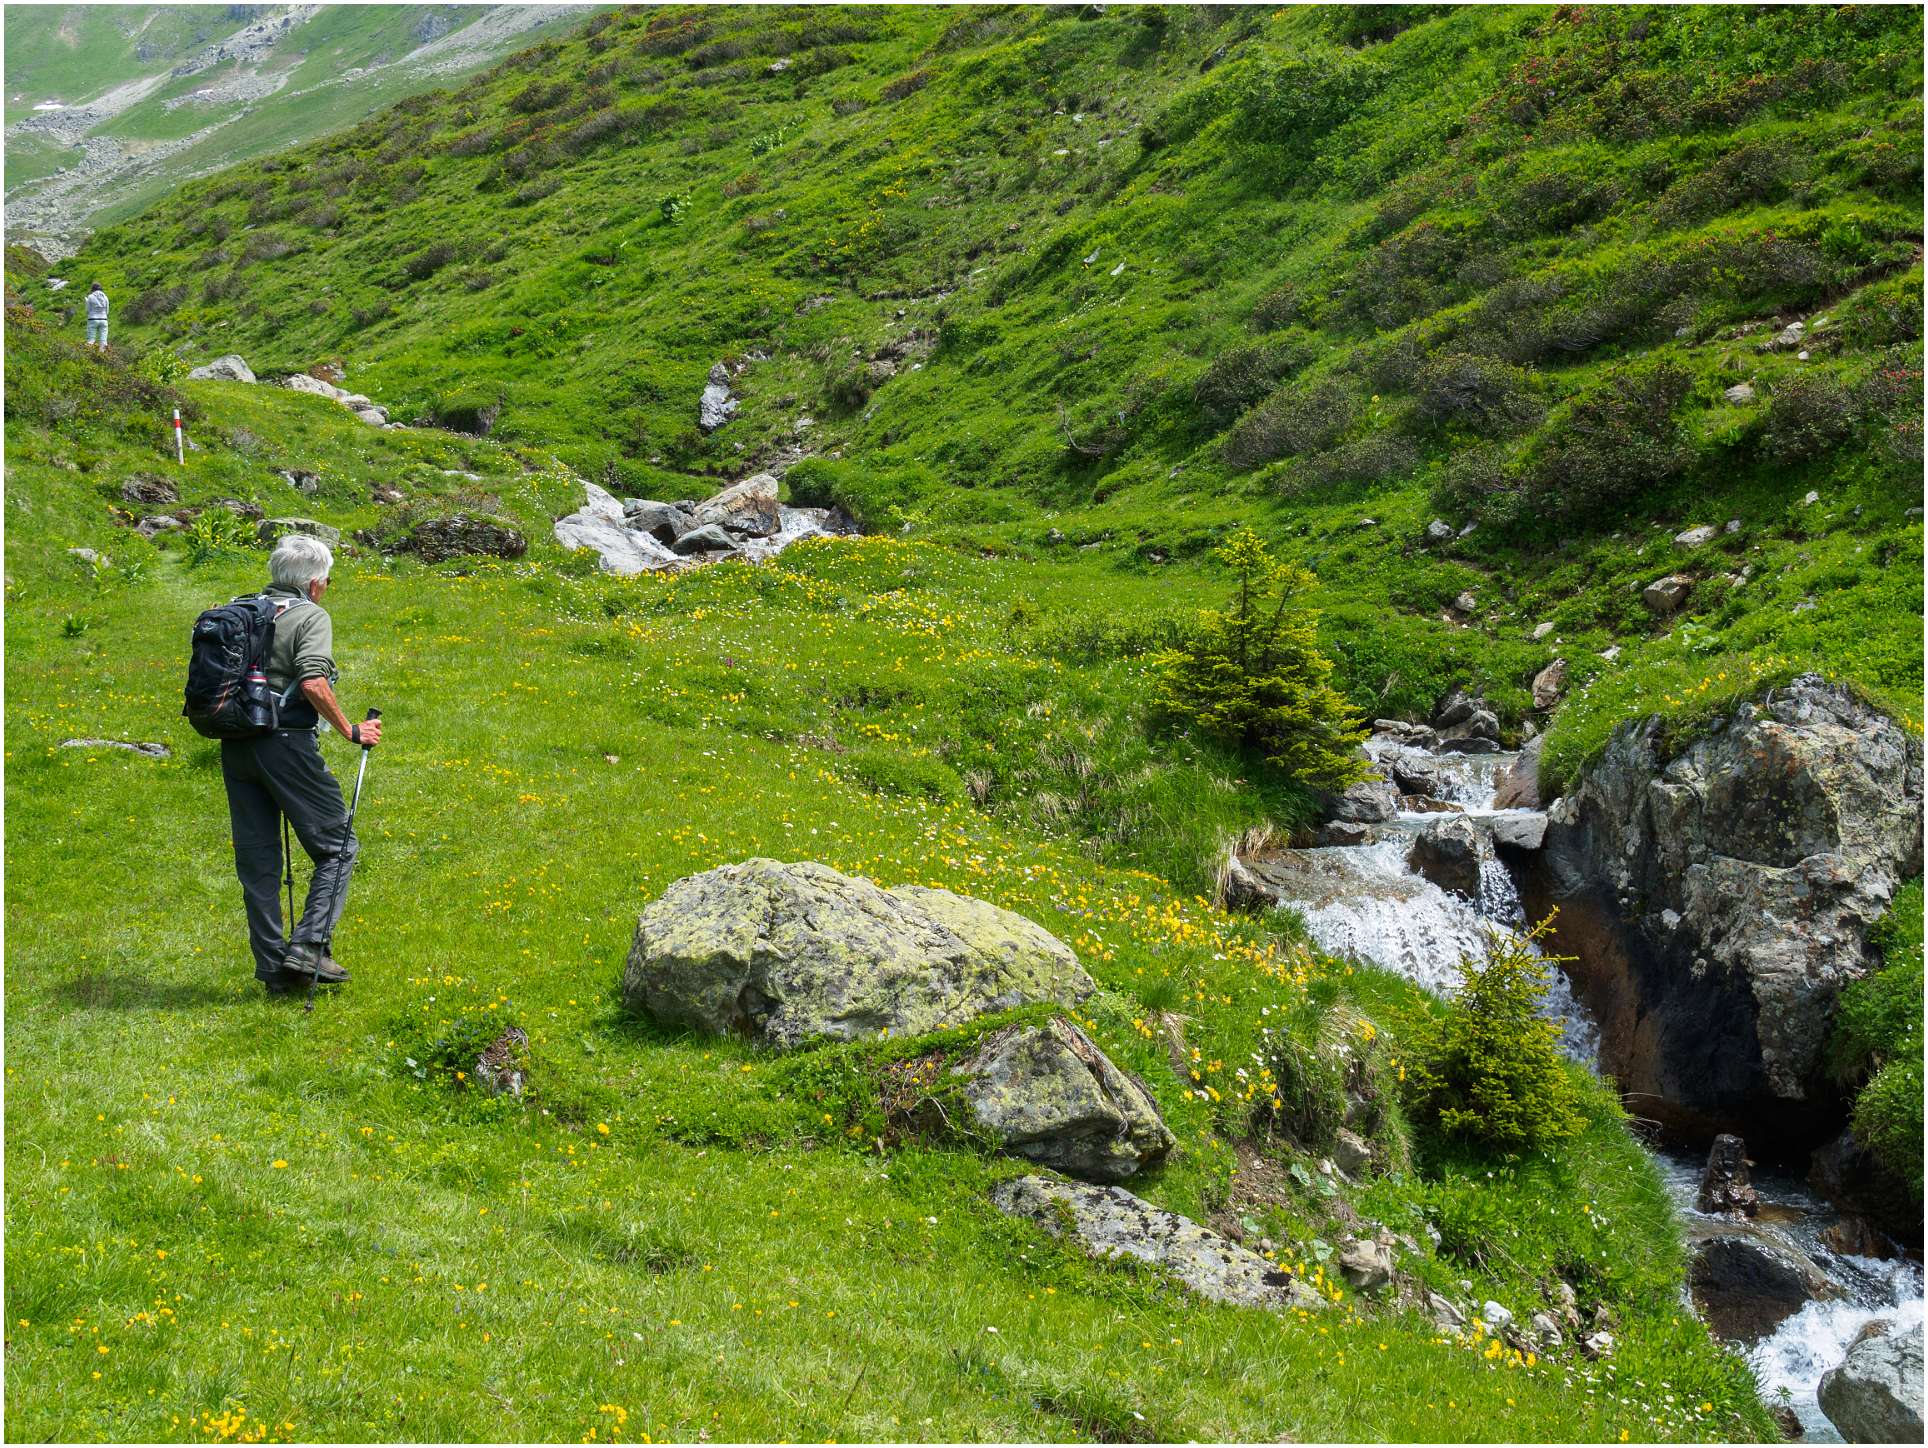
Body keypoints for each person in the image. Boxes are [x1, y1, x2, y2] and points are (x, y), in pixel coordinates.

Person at [221, 535, 384, 994]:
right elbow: (312, 681)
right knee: (338, 846)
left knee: (258, 861)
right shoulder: (310, 615)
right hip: (285, 743)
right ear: (314, 584)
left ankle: (275, 972)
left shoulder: (242, 609)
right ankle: (310, 947)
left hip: (236, 744)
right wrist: (350, 729)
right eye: (327, 581)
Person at [84, 283, 109, 348]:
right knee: (103, 341)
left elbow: (87, 310)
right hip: (104, 319)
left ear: (93, 289)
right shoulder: (105, 297)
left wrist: (86, 302)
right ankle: (102, 353)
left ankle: (88, 352)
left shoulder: (90, 297)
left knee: (91, 340)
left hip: (93, 319)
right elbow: (107, 311)